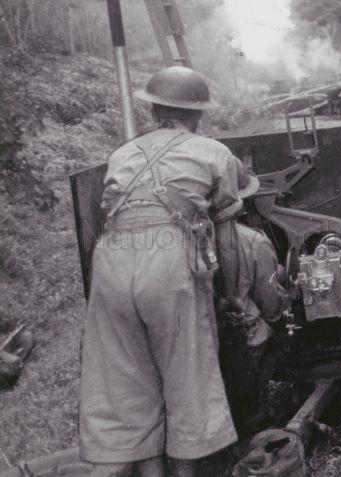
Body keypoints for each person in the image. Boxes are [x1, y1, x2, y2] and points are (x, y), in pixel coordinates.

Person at [79, 66, 244, 477]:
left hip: (113, 256)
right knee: (186, 369)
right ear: (198, 115)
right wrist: (232, 294)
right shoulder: (213, 152)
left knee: (126, 376)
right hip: (167, 257)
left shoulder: (121, 153)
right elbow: (226, 234)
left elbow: (106, 210)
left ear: (154, 111)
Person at [218, 172, 285, 433]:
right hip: (245, 347)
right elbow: (272, 308)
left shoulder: (187, 239)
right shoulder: (253, 242)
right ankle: (251, 408)